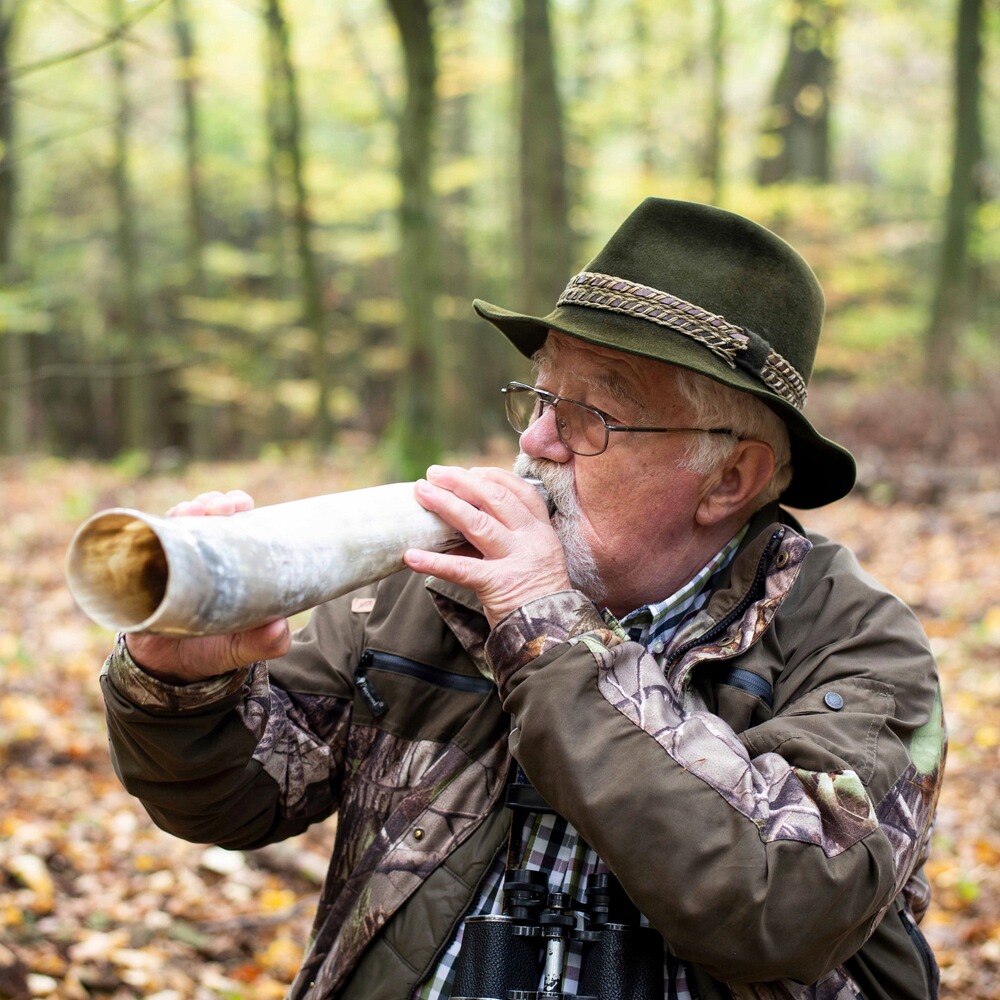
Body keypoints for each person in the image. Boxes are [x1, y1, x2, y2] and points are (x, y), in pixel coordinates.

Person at [100, 198, 945, 1000]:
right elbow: (240, 799)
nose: (536, 441)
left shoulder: (858, 644)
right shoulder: (429, 582)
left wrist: (548, 628)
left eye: (591, 415)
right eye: (540, 398)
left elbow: (786, 906)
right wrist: (182, 685)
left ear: (730, 478)